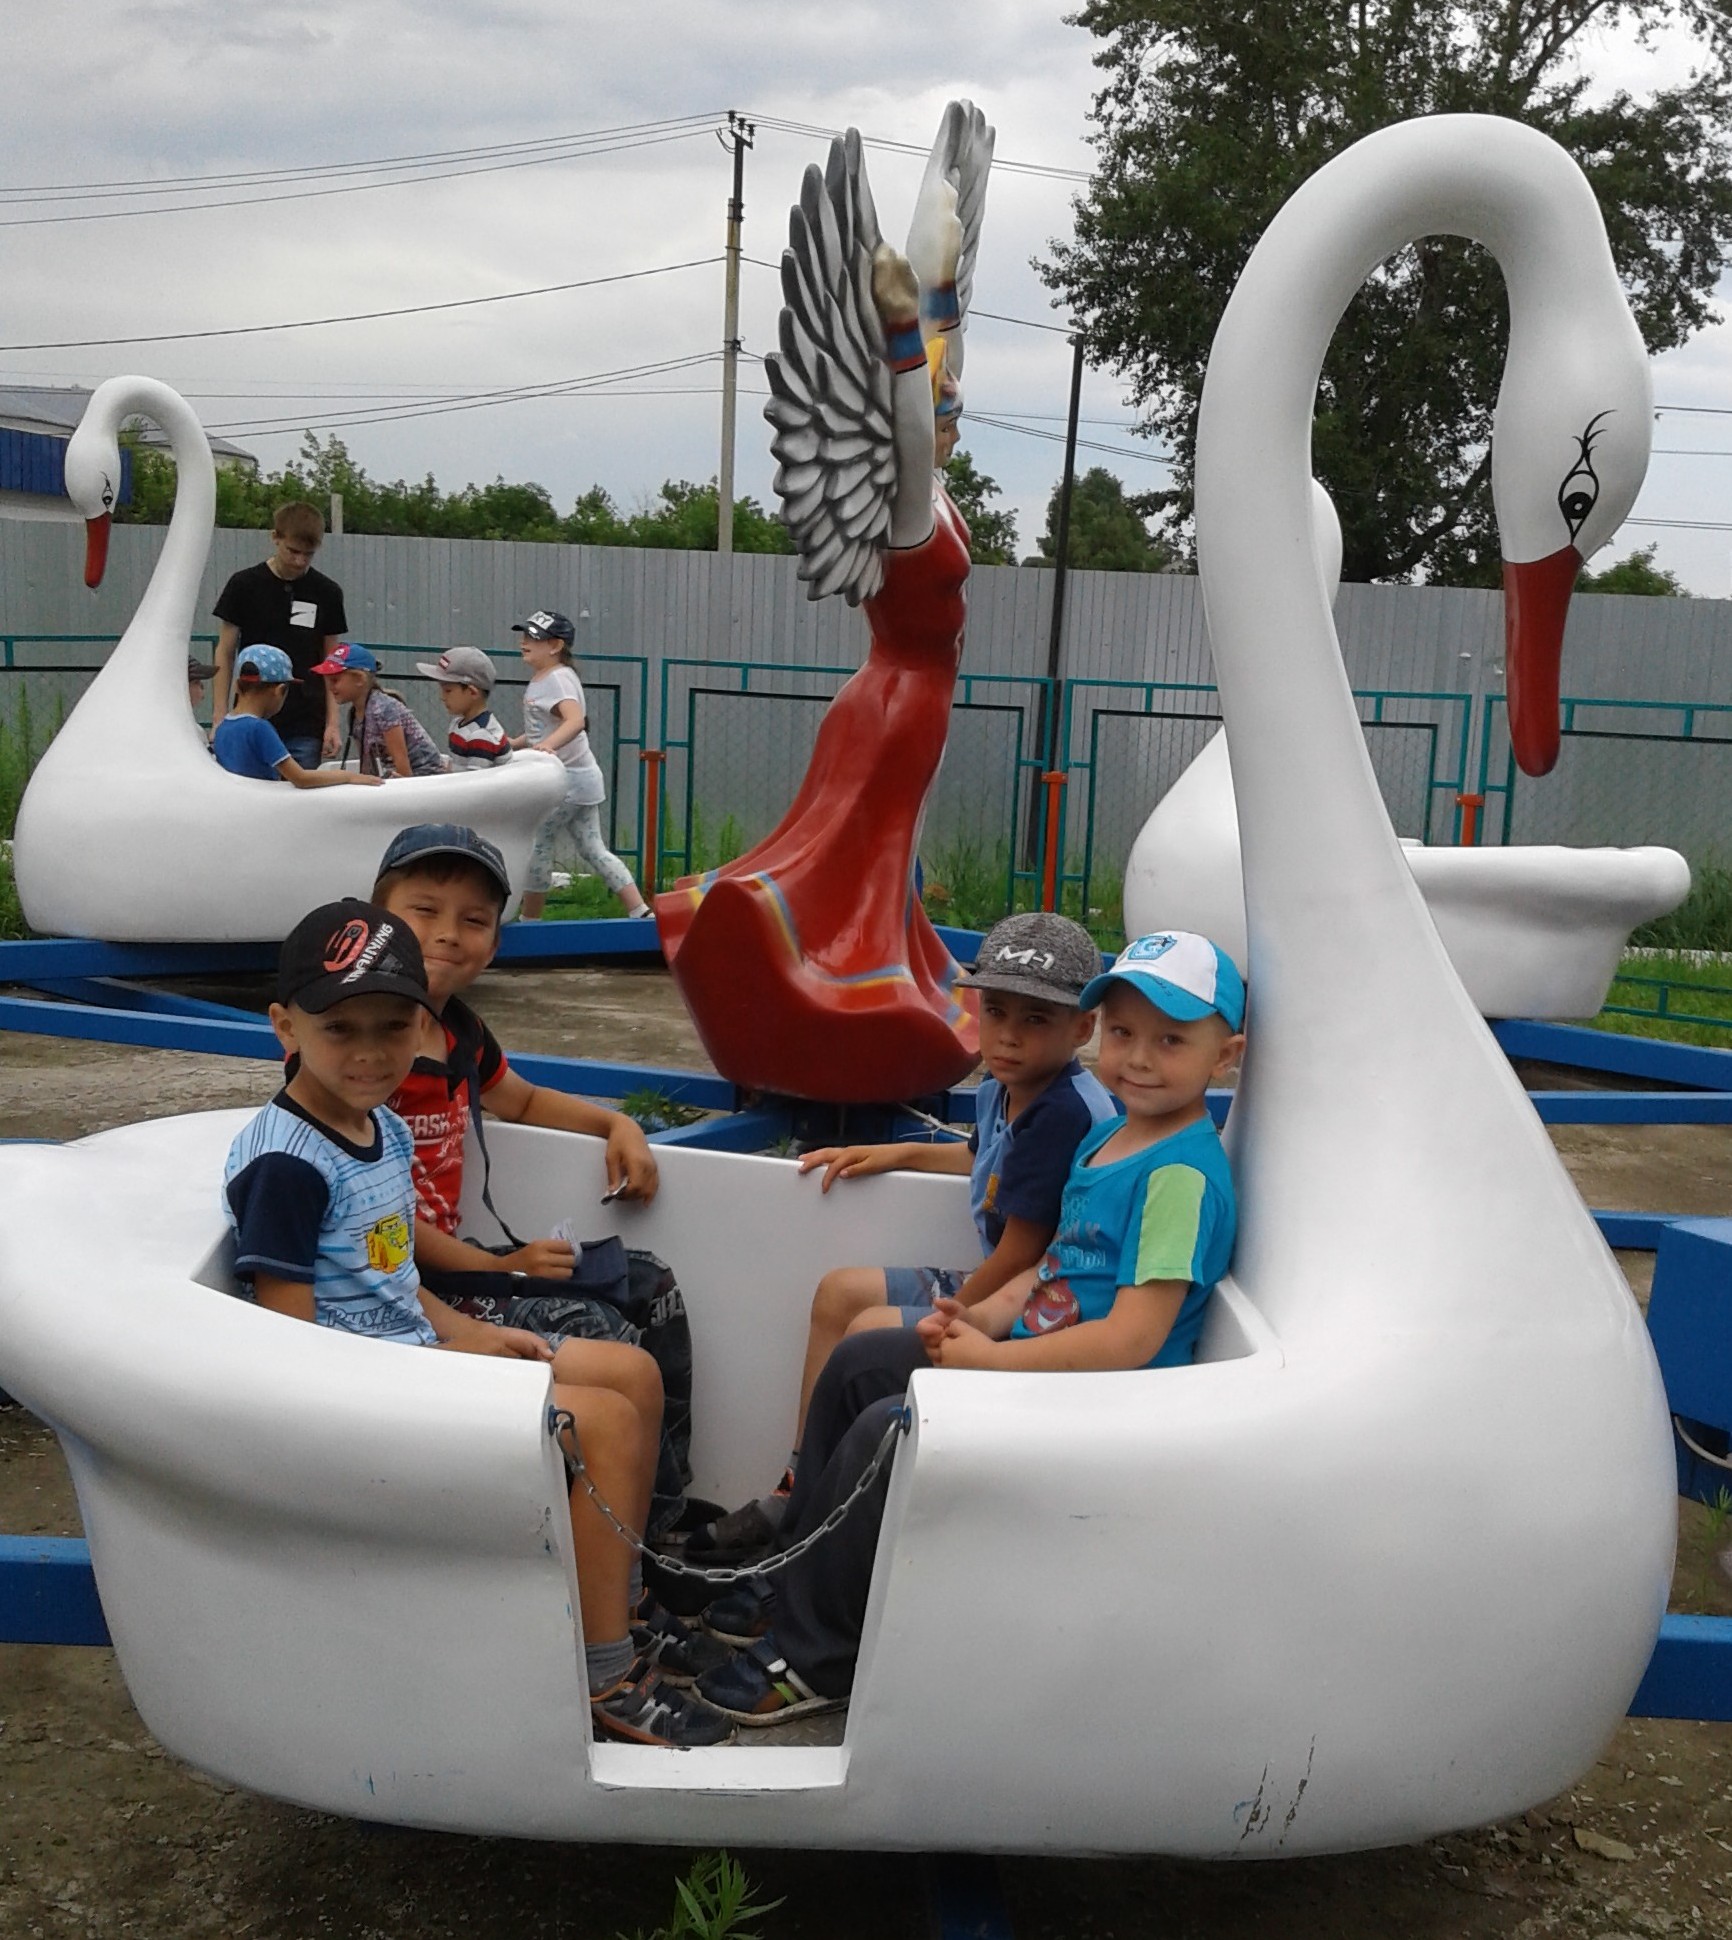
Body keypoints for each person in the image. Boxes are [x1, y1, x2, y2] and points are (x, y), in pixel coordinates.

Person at [693, 929, 1246, 1726]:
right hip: (1038, 1360)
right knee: (862, 1361)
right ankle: (797, 1573)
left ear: (1225, 1057)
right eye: (1124, 1033)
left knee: (892, 1427)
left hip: (1105, 1401)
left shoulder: (1179, 1177)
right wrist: (980, 1316)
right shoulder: (1109, 1137)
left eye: (1170, 1040)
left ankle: (818, 1657)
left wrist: (991, 1360)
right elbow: (1052, 1265)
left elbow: (1132, 1339)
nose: (1138, 1058)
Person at [221, 898, 728, 1746]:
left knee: (632, 1373)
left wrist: (466, 1332)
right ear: (285, 1027)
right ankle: (606, 1676)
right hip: (368, 1396)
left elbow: (389, 1268)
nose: (369, 1052)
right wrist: (447, 1363)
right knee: (603, 1420)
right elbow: (293, 1351)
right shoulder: (287, 1166)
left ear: (421, 1027)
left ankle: (620, 1603)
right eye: (340, 1029)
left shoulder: (379, 1127)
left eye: (392, 1028)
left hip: (418, 1349)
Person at [689, 910, 1119, 1565]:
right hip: (1009, 1280)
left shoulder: (1062, 1112)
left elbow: (1021, 1252)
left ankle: (817, 1524)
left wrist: (956, 1317)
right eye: (996, 1012)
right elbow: (983, 1159)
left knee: (866, 1332)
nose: (1008, 1036)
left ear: (1082, 1028)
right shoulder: (1008, 1087)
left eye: (1036, 1019)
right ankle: (799, 1484)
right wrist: (893, 1154)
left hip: (1040, 1304)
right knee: (838, 1293)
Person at [368, 824, 703, 1555]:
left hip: (463, 1262)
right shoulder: (365, 1047)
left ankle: (661, 1522)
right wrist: (504, 1265)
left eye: (474, 920)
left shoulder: (458, 1032)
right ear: (379, 917)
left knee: (652, 1288)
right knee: (603, 1332)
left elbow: (517, 1099)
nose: (448, 933)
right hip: (406, 1280)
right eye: (424, 910)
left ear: (494, 942)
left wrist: (616, 1124)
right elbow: (368, 1215)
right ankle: (623, 1543)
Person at [510, 609, 650, 920]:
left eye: (533, 637)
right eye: (524, 635)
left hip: (566, 781)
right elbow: (544, 727)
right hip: (579, 778)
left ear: (555, 646)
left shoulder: (557, 678)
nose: (523, 642)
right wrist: (516, 743)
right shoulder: (546, 678)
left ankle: (530, 920)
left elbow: (574, 721)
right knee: (592, 848)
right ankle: (640, 911)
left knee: (538, 843)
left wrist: (548, 747)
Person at [211, 502, 347, 769]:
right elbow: (225, 653)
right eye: (293, 551)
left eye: (308, 554)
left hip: (305, 722)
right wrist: (219, 716)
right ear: (275, 537)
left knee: (300, 789)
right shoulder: (244, 585)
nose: (299, 561)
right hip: (251, 714)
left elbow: (332, 660)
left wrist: (333, 723)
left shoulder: (327, 592)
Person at [210, 646, 383, 790]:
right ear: (280, 690)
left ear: (237, 686)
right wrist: (348, 776)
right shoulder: (259, 728)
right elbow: (301, 778)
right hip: (262, 810)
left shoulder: (224, 726)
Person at [313, 642, 448, 777]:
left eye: (335, 680)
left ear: (359, 679)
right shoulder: (354, 714)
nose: (330, 687)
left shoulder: (383, 709)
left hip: (425, 776)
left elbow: (402, 765)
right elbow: (367, 763)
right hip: (398, 775)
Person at [414, 646, 512, 769]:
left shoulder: (481, 736)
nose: (442, 697)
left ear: (472, 692)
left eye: (448, 691)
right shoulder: (458, 724)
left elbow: (476, 780)